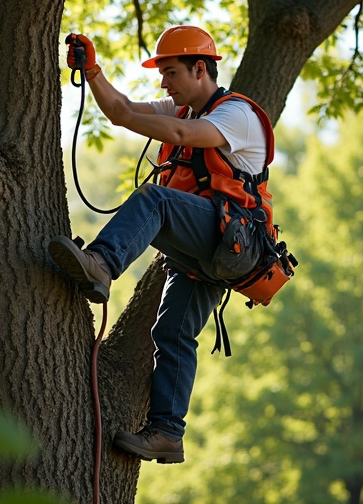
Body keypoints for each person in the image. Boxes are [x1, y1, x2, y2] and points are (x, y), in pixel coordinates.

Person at [48, 25, 276, 464]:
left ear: (201, 68)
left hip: (237, 239)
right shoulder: (183, 109)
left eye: (171, 72)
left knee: (156, 201)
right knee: (171, 332)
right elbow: (120, 110)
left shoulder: (236, 115)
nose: (163, 82)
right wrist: (92, 71)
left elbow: (183, 137)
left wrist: (138, 121)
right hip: (209, 249)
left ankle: (101, 263)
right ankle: (168, 433)